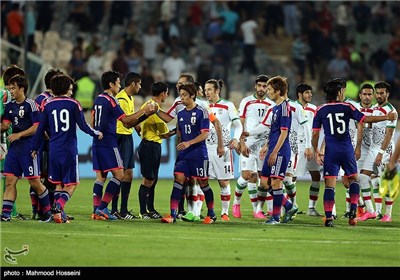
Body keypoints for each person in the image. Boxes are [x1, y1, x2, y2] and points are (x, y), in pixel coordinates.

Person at [312, 78, 397, 227]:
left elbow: (315, 134)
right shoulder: (347, 107)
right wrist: (386, 117)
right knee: (353, 180)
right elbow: (365, 119)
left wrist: (317, 150)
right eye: (343, 90)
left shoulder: (320, 109)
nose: (344, 92)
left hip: (331, 151)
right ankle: (353, 214)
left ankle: (329, 218)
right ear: (339, 92)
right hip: (346, 150)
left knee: (330, 185)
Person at [32, 74, 103, 223]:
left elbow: (40, 130)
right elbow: (83, 126)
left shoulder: (47, 105)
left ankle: (59, 215)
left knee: (58, 183)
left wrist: (34, 148)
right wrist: (96, 133)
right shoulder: (74, 104)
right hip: (68, 149)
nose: (72, 92)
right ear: (65, 88)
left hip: (53, 149)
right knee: (71, 184)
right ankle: (58, 206)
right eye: (70, 89)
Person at [91, 70, 157, 220]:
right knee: (120, 174)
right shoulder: (112, 100)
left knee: (101, 176)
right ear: (111, 84)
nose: (119, 86)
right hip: (110, 141)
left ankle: (96, 210)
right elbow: (126, 121)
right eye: (118, 83)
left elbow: (93, 121)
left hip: (97, 141)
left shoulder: (98, 99)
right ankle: (103, 208)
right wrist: (144, 112)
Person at [156, 74, 224, 220]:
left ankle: (211, 213)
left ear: (193, 95)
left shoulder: (203, 111)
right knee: (178, 179)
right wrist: (170, 134)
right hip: (184, 155)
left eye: (185, 95)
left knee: (203, 183)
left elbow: (205, 134)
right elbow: (180, 130)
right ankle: (173, 215)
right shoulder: (180, 113)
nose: (182, 98)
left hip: (199, 153)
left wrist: (189, 143)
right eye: (180, 95)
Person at [1, 74, 52, 222]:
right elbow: (5, 125)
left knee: (34, 182)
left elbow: (37, 127)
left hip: (29, 147)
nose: (11, 91)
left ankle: (48, 212)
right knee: (10, 181)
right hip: (14, 149)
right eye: (9, 88)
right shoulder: (9, 106)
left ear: (22, 89)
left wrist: (19, 135)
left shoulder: (31, 104)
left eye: (13, 88)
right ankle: (5, 214)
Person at [256, 75, 298, 224]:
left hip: (280, 151)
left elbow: (284, 132)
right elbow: (273, 131)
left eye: (270, 89)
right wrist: (267, 146)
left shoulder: (285, 108)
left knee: (275, 183)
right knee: (263, 183)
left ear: (278, 91)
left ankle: (275, 217)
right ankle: (288, 206)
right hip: (272, 149)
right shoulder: (275, 108)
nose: (267, 92)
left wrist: (274, 152)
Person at [232, 74, 275, 219]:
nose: (262, 88)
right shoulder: (246, 101)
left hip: (263, 145)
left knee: (263, 178)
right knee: (247, 175)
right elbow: (241, 123)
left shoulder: (272, 104)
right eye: (260, 86)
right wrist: (241, 142)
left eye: (265, 86)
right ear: (255, 86)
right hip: (249, 142)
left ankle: (258, 210)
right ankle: (236, 202)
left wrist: (269, 145)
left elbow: (273, 127)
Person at [357, 81, 398, 222]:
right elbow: (366, 120)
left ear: (387, 94)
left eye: (382, 93)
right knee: (362, 178)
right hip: (373, 148)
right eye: (377, 93)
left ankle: (388, 214)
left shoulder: (392, 112)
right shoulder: (374, 108)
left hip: (385, 149)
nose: (379, 95)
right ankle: (371, 211)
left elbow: (389, 134)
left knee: (384, 182)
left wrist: (381, 153)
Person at [203, 79, 242, 221]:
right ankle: (198, 212)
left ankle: (224, 213)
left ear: (217, 90)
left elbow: (238, 125)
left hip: (222, 149)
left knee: (223, 182)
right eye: (205, 90)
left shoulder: (228, 106)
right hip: (205, 147)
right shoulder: (203, 106)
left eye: (209, 90)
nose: (206, 92)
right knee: (202, 180)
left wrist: (236, 139)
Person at [137, 81, 174, 219]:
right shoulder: (154, 109)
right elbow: (165, 134)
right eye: (166, 93)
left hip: (151, 145)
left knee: (153, 179)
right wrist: (177, 130)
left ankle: (150, 209)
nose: (167, 95)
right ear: (163, 93)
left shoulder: (146, 105)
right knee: (148, 180)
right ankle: (143, 211)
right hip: (150, 146)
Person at [31, 68, 63, 220]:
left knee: (44, 178)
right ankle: (44, 210)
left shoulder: (43, 98)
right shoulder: (45, 99)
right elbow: (39, 123)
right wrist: (48, 137)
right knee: (45, 178)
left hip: (47, 143)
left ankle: (41, 210)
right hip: (45, 144)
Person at [110, 72, 142, 220]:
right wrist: (142, 115)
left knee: (128, 174)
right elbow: (126, 121)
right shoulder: (121, 98)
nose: (140, 87)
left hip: (127, 136)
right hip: (120, 136)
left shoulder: (129, 98)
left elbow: (129, 118)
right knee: (120, 174)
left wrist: (136, 127)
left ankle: (123, 209)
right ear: (133, 84)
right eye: (139, 84)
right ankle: (115, 209)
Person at [292, 83, 322, 216]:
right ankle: (292, 205)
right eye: (307, 92)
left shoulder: (314, 109)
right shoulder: (292, 107)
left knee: (316, 175)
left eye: (311, 92)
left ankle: (311, 208)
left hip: (310, 146)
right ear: (300, 94)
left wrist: (315, 148)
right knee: (291, 177)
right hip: (296, 146)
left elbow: (317, 129)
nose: (310, 95)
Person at [0, 65, 26, 220]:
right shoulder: (5, 95)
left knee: (8, 177)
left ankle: (10, 211)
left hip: (9, 139)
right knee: (8, 177)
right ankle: (11, 212)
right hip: (5, 140)